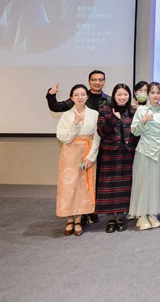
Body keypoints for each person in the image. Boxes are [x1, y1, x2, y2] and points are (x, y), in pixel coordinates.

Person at [55, 84, 101, 236]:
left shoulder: (94, 114)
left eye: (83, 94)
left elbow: (97, 137)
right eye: (76, 95)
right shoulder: (66, 115)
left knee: (83, 185)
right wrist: (74, 123)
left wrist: (91, 157)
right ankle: (69, 218)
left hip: (86, 152)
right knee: (68, 185)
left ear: (87, 96)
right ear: (71, 98)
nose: (80, 97)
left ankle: (79, 219)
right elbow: (63, 137)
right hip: (70, 153)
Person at [96, 83, 139, 233]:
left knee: (124, 187)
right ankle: (110, 219)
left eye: (125, 94)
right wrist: (113, 118)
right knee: (108, 188)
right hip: (109, 153)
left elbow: (137, 132)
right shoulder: (105, 110)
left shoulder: (133, 111)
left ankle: (121, 217)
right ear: (114, 96)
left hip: (128, 153)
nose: (122, 97)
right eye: (119, 94)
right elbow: (101, 132)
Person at [129, 82, 160, 230]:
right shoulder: (141, 110)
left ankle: (153, 213)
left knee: (156, 182)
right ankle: (141, 215)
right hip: (144, 150)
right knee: (143, 182)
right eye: (152, 92)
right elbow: (134, 131)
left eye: (158, 92)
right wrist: (144, 120)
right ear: (148, 94)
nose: (155, 95)